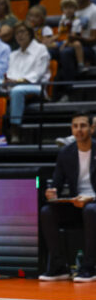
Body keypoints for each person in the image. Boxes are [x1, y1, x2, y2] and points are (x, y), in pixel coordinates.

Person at [41, 111, 96, 282]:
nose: (79, 130)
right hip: (76, 204)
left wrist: (91, 198)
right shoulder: (66, 153)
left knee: (90, 210)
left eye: (83, 126)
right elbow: (56, 183)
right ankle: (59, 267)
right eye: (75, 126)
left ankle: (89, 268)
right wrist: (51, 192)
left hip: (92, 205)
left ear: (91, 129)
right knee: (47, 212)